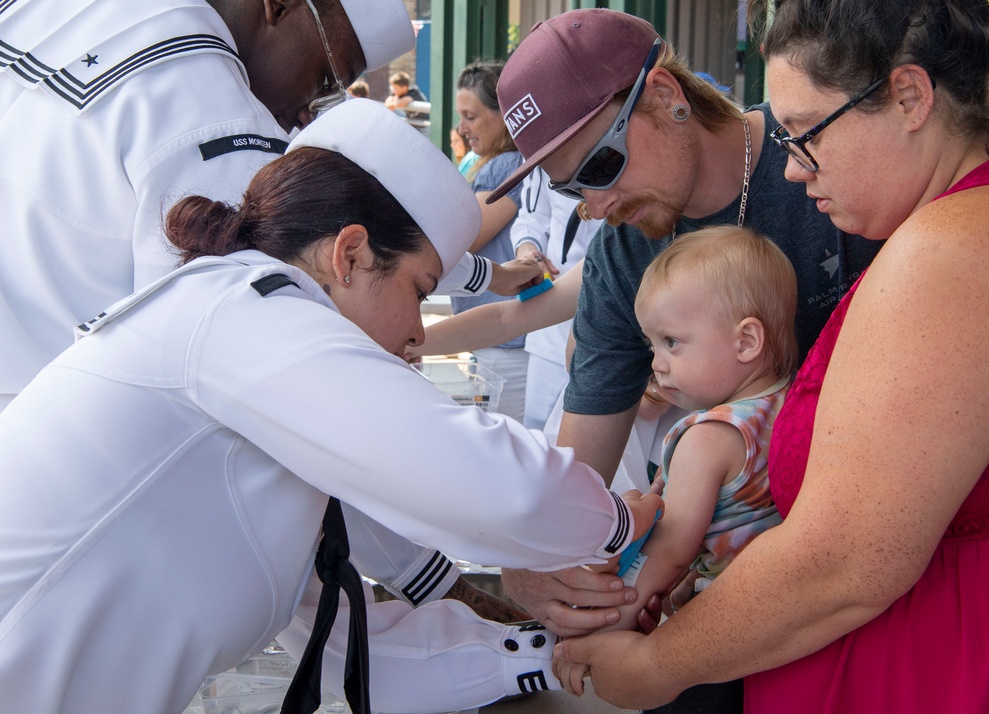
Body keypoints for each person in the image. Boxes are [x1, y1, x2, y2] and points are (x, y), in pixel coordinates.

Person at [0, 99, 663, 714]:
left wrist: (553, 657)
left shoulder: (257, 358)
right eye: (419, 289)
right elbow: (500, 488)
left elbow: (349, 645)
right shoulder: (246, 317)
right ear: (348, 255)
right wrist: (620, 527)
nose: (415, 332)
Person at [551, 1, 989, 712]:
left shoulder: (948, 248)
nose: (792, 170)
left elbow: (846, 561)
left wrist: (656, 665)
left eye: (803, 133)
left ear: (909, 97)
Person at [487, 8, 882, 711]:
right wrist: (533, 561)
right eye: (570, 189)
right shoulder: (620, 254)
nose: (598, 205)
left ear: (667, 95)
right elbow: (581, 468)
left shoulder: (825, 154)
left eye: (601, 166)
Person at [0, 0, 416, 413]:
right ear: (280, 7)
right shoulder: (214, 105)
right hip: (53, 422)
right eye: (327, 81)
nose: (310, 113)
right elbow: (231, 365)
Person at [590, 225, 795, 636]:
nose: (657, 364)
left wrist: (608, 630)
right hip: (783, 611)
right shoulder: (789, 402)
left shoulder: (706, 438)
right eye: (652, 346)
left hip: (723, 626)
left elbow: (669, 552)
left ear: (747, 341)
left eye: (672, 342)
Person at [453, 60, 530, 421]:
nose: (462, 127)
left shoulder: (509, 164)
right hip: (493, 343)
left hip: (506, 347)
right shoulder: (484, 163)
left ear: (505, 115)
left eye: (471, 116)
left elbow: (462, 236)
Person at [510, 168, 603, 429]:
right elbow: (532, 216)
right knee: (538, 436)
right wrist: (528, 249)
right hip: (551, 328)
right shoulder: (541, 153)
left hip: (614, 327)